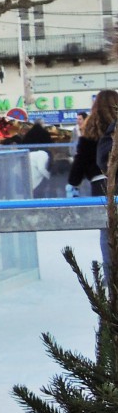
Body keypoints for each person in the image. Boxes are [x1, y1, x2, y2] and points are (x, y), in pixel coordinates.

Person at [85, 89, 118, 279]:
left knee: (108, 234)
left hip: (102, 188)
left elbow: (90, 160)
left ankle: (111, 278)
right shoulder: (111, 131)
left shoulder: (92, 131)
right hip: (109, 189)